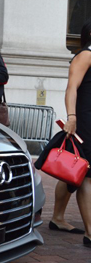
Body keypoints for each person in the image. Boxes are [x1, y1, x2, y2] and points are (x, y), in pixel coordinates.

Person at [50, 18, 91, 248]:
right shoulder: (86, 54)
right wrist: (71, 117)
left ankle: (57, 218)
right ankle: (90, 233)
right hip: (85, 120)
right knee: (86, 172)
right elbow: (71, 88)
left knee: (73, 170)